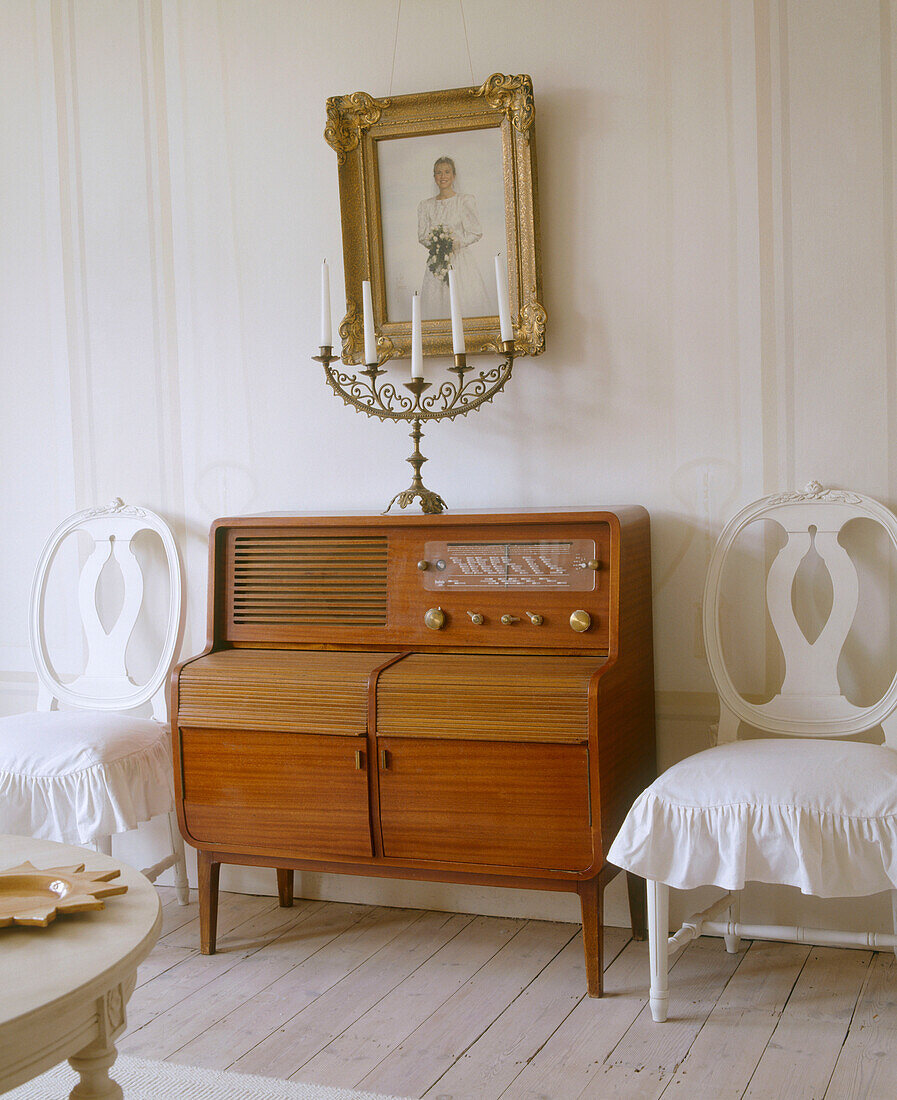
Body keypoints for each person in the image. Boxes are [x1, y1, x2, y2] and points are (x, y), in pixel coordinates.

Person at [418, 156, 493, 320]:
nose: (443, 176)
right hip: (437, 263)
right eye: (438, 173)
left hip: (460, 261)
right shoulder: (426, 205)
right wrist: (437, 243)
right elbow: (422, 236)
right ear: (434, 177)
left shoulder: (464, 201)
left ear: (454, 175)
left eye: (446, 172)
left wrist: (456, 243)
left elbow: (475, 232)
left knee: (463, 302)